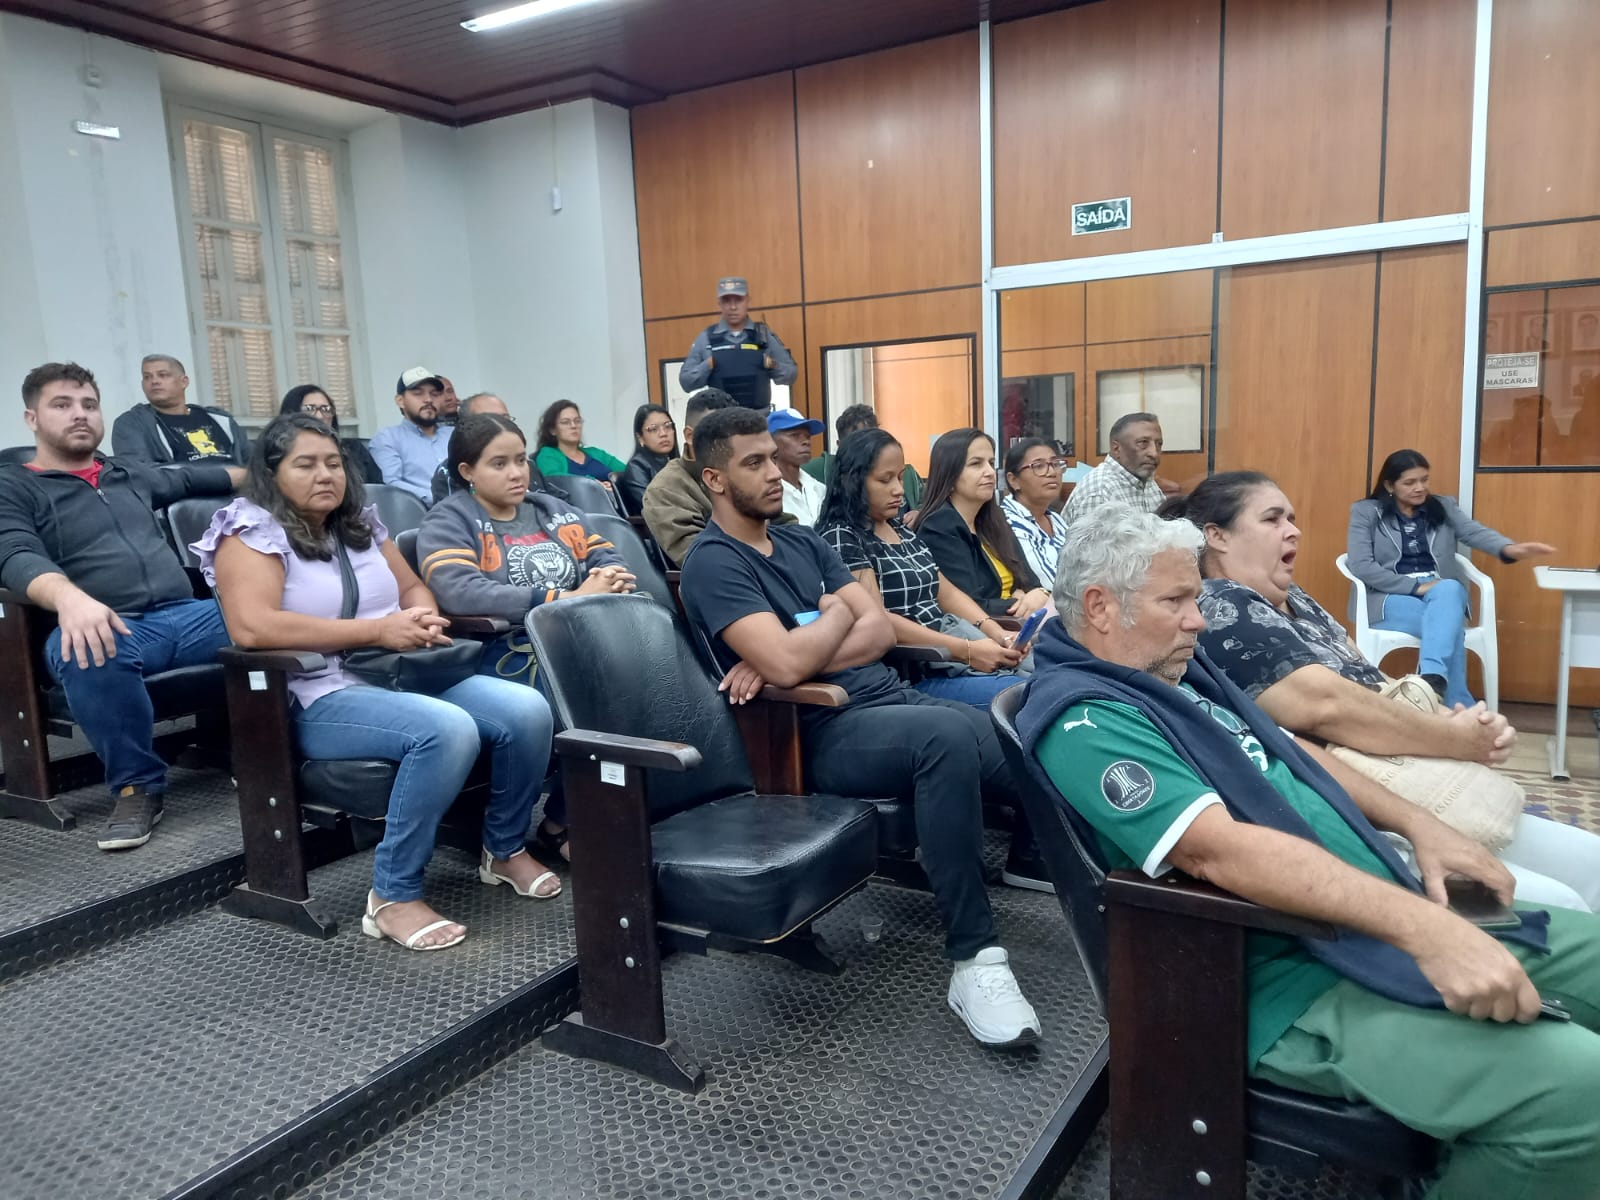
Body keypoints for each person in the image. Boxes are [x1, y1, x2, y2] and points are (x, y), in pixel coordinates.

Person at [1016, 504, 1600, 1200]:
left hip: (1376, 910)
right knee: (1580, 1096)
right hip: (1290, 977)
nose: (1197, 620)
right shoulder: (1087, 718)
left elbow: (1291, 753)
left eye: (1195, 598)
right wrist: (1429, 929)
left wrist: (1423, 827)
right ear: (1100, 607)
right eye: (1175, 601)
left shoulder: (1168, 671)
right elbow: (1221, 854)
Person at [678, 406, 1043, 1047]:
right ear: (714, 479)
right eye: (754, 463)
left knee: (1028, 736)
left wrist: (807, 639)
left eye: (773, 458)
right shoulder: (714, 562)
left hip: (890, 697)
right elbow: (791, 664)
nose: (775, 472)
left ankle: (1117, 887)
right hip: (819, 729)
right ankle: (976, 959)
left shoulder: (801, 541)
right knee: (946, 740)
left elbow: (876, 632)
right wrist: (831, 619)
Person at [195, 412, 560, 952]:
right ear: (272, 473)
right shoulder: (249, 531)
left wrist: (421, 616)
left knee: (526, 709)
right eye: (305, 464)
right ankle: (392, 896)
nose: (326, 475)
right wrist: (378, 630)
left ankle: (503, 850)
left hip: (399, 672)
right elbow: (253, 627)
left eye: (333, 463)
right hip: (317, 692)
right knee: (446, 729)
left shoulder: (358, 524)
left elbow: (411, 588)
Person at [1171, 470, 1600, 912]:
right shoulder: (1219, 604)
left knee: (1592, 862)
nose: (1293, 530)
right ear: (1217, 536)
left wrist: (1457, 722)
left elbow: (1372, 684)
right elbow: (1327, 706)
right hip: (1365, 814)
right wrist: (1456, 739)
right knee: (1564, 902)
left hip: (1417, 787)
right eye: (1272, 519)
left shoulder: (1296, 599)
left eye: (1292, 518)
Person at [0, 362, 242, 850]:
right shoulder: (14, 485)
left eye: (89, 404)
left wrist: (267, 475)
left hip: (189, 616)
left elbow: (193, 479)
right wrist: (70, 598)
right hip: (112, 625)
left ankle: (266, 751)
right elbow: (13, 553)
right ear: (32, 418)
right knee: (87, 646)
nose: (80, 414)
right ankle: (138, 786)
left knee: (276, 614)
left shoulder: (125, 473)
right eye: (62, 405)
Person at [418, 413, 636, 862]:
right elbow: (459, 590)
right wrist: (563, 598)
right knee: (603, 694)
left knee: (646, 681)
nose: (517, 472)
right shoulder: (451, 519)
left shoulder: (551, 510)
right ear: (467, 471)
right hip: (501, 653)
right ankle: (550, 827)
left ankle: (564, 820)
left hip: (575, 643)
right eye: (499, 464)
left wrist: (609, 577)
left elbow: (606, 554)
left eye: (520, 460)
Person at [815, 428, 1032, 715]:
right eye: (885, 480)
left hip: (952, 652)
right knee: (1028, 693)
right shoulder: (843, 537)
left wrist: (999, 635)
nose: (899, 490)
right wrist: (967, 650)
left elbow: (946, 592)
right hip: (915, 672)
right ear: (852, 481)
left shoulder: (899, 528)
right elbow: (878, 620)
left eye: (900, 477)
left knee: (1050, 675)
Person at [1348, 449, 1555, 707]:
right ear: (1390, 485)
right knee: (1449, 626)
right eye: (1410, 482)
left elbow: (1472, 532)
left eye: (1424, 479)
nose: (1420, 488)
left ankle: (1431, 682)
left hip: (1441, 592)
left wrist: (1509, 549)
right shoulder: (1366, 512)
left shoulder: (1442, 506)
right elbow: (1361, 565)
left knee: (1449, 591)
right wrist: (1416, 587)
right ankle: (1458, 703)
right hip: (1388, 595)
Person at [641, 388, 796, 565]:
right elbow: (702, 560)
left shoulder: (749, 473)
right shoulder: (665, 490)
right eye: (717, 434)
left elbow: (786, 525)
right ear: (690, 436)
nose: (775, 473)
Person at [912, 428, 1050, 619]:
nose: (990, 472)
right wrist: (1018, 601)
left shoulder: (994, 518)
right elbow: (969, 605)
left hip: (1018, 622)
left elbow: (1031, 583)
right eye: (976, 464)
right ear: (949, 475)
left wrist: (1040, 594)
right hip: (986, 630)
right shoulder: (939, 525)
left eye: (991, 463)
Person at [678, 276, 798, 410]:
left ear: (748, 301)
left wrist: (772, 365)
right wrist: (708, 365)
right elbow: (686, 382)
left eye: (738, 300)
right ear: (719, 303)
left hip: (759, 418)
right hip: (721, 419)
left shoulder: (764, 336)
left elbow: (791, 375)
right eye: (726, 301)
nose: (733, 307)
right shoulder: (706, 338)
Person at [111, 353, 250, 466]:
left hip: (239, 491)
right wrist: (225, 477)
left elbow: (253, 463)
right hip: (183, 493)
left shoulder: (220, 419)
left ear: (184, 382)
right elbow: (141, 474)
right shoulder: (132, 424)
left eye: (163, 375)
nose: (154, 381)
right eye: (147, 377)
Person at [803, 403, 925, 512]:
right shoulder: (817, 470)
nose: (898, 490)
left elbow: (926, 507)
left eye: (872, 443)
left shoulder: (907, 474)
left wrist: (919, 515)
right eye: (884, 480)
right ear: (840, 446)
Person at [1059, 411, 1164, 529]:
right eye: (1143, 443)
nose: (1154, 453)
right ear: (1116, 448)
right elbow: (1093, 542)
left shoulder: (1146, 481)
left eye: (1159, 444)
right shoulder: (1100, 492)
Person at [368, 367, 451, 506]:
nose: (428, 399)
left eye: (434, 394)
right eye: (418, 393)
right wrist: (438, 499)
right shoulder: (388, 438)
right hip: (421, 513)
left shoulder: (453, 434)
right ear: (400, 401)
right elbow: (391, 483)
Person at [280, 384, 383, 485]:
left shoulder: (354, 449)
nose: (320, 416)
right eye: (310, 409)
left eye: (325, 409)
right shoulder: (279, 452)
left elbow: (378, 489)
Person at [1000, 438, 1068, 588]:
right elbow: (1050, 585)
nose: (1052, 473)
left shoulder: (1056, 519)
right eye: (1038, 466)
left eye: (1055, 464)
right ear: (1013, 480)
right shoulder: (1007, 523)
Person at [430, 393, 511, 504]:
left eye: (505, 419)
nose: (501, 426)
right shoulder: (450, 472)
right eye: (489, 421)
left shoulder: (526, 465)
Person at [533, 400, 626, 487]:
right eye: (565, 422)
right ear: (552, 430)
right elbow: (556, 480)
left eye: (577, 421)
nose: (574, 426)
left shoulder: (596, 453)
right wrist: (594, 484)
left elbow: (627, 473)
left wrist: (613, 484)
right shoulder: (548, 455)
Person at [769, 407, 828, 526]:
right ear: (771, 442)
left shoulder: (819, 488)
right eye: (795, 435)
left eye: (807, 436)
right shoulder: (768, 493)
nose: (806, 442)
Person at [617, 403, 677, 516]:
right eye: (653, 429)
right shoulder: (636, 467)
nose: (663, 433)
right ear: (640, 437)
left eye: (668, 426)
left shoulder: (676, 464)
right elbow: (653, 508)